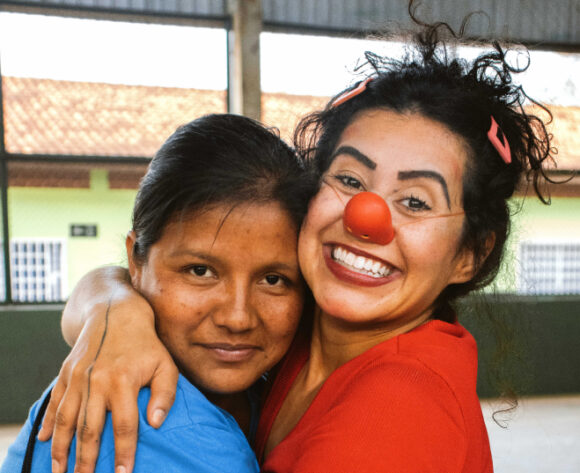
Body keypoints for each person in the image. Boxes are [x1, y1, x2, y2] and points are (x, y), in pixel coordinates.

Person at [35, 16, 556, 473]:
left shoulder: (397, 410)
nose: (366, 218)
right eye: (350, 181)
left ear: (471, 253)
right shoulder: (298, 323)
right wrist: (113, 310)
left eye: (416, 202)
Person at [0, 113, 317, 473]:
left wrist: (109, 302)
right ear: (136, 259)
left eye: (273, 280)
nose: (238, 318)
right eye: (200, 271)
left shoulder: (265, 393)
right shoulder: (166, 433)